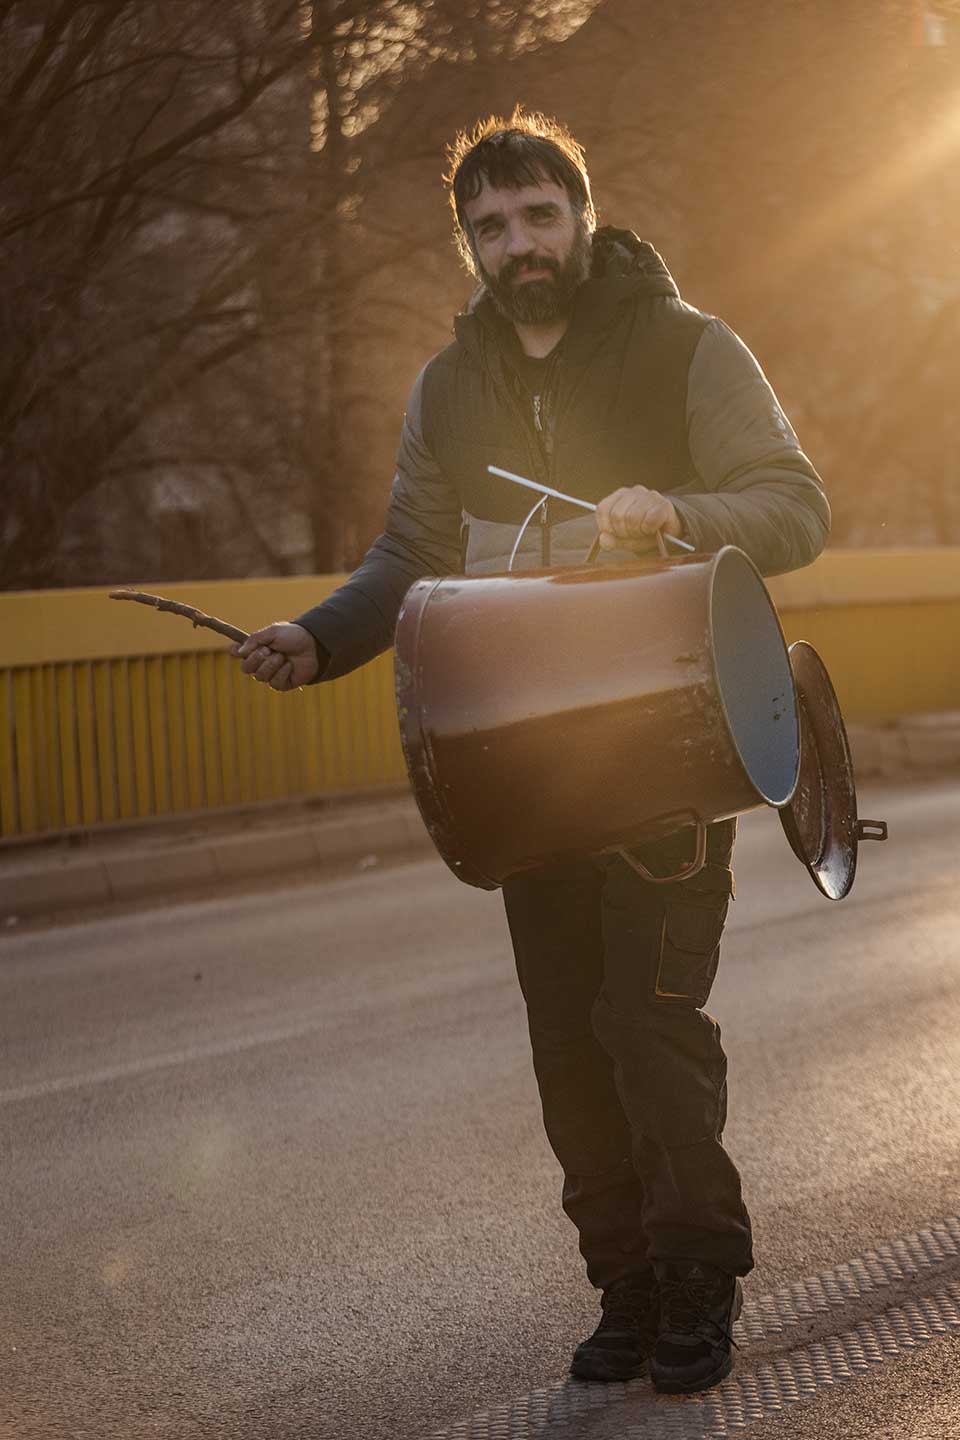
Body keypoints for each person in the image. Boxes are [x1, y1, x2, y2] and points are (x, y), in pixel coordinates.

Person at [231, 109, 830, 1394]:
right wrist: (316, 636)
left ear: (583, 213)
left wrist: (677, 509)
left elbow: (796, 505)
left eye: (539, 215)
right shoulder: (451, 388)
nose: (520, 244)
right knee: (565, 1030)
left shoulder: (688, 348)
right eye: (491, 228)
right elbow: (410, 557)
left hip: (672, 744)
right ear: (470, 247)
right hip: (523, 760)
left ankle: (697, 1277)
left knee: (648, 1020)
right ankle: (620, 1280)